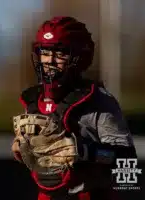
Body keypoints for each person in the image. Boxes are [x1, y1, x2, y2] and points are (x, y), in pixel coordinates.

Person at [11, 16, 137, 200]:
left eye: (60, 53)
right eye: (45, 52)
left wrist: (84, 151)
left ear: (80, 57)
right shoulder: (33, 100)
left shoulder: (99, 101)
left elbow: (128, 162)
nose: (50, 61)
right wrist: (22, 149)